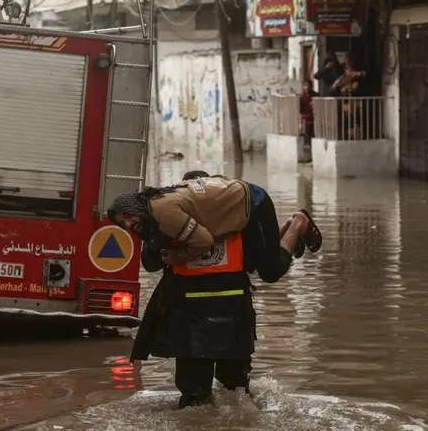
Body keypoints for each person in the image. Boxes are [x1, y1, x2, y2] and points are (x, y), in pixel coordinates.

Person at [127, 171, 311, 408]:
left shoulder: (170, 223)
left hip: (189, 323)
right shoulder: (239, 221)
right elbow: (258, 261)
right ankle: (293, 225)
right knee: (236, 397)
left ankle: (295, 225)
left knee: (195, 401)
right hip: (234, 319)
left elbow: (150, 264)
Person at [107, 174, 320, 285]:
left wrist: (178, 256)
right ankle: (282, 232)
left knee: (271, 271)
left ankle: (297, 224)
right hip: (236, 204)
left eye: (127, 217)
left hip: (252, 205)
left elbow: (204, 241)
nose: (127, 225)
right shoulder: (153, 204)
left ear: (136, 207)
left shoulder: (163, 212)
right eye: (122, 224)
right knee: (252, 262)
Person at [299, 79, 316, 149]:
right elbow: (300, 111)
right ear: (303, 87)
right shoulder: (302, 97)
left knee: (313, 135)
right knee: (307, 135)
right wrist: (300, 123)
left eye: (308, 85)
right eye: (305, 85)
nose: (307, 87)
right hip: (306, 120)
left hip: (315, 119)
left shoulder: (315, 95)